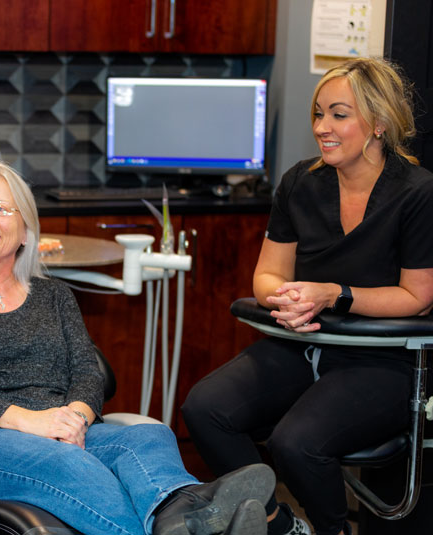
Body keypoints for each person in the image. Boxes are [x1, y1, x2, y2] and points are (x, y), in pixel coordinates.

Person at [0, 159, 275, 535]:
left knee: (149, 436)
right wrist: (34, 422)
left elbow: (85, 369)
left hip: (57, 428)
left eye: (1, 209)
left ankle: (183, 516)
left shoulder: (54, 296)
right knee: (67, 463)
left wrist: (77, 419)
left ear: (25, 233)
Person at [181, 57, 433, 535]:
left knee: (295, 442)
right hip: (301, 344)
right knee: (205, 408)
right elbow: (267, 276)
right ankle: (278, 525)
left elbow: (416, 296)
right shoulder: (301, 182)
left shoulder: (418, 193)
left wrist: (332, 295)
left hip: (382, 362)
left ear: (378, 123)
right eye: (318, 114)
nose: (322, 127)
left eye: (339, 114)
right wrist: (289, 298)